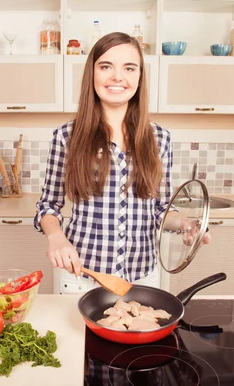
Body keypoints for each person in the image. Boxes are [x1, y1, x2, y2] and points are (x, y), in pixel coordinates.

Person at [34, 32, 209, 293]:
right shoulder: (67, 136)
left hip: (143, 276)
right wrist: (56, 238)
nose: (117, 77)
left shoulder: (159, 139)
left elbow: (161, 209)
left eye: (129, 68)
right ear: (92, 74)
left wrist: (185, 223)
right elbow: (48, 205)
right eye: (106, 67)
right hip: (82, 274)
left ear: (139, 77)